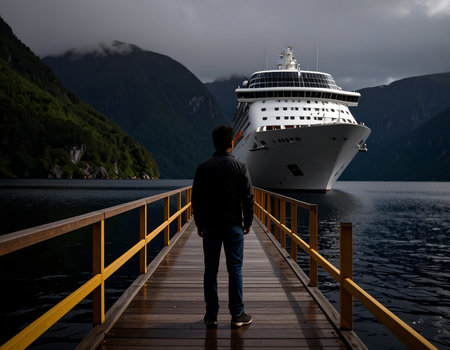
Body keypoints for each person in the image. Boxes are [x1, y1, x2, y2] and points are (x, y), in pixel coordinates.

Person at [192, 125, 254, 328]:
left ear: (214, 143)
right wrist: (248, 222)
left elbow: (196, 199)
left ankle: (211, 315)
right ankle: (237, 315)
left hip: (210, 226)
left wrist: (199, 223)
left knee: (210, 270)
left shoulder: (203, 167)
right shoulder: (240, 166)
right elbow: (248, 197)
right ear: (232, 143)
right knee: (235, 269)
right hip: (233, 226)